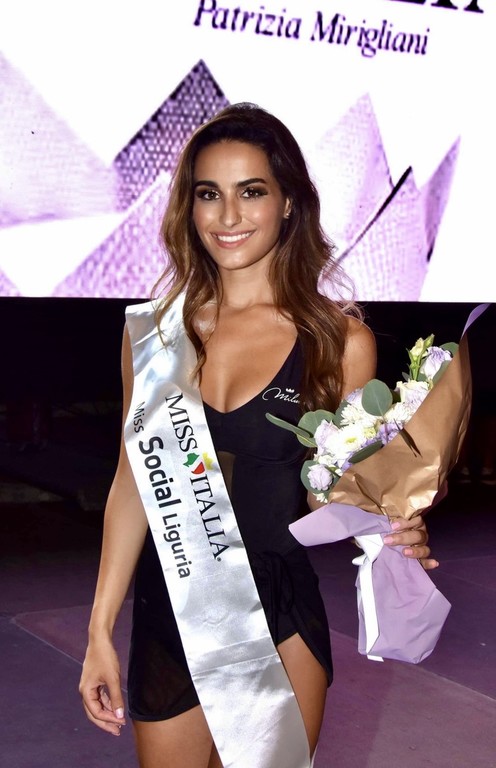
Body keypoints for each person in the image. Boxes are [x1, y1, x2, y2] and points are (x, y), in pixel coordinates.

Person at [79, 103, 437, 768]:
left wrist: (390, 522)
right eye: (208, 194)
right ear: (188, 207)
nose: (228, 216)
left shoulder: (336, 341)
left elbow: (331, 493)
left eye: (251, 192)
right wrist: (99, 628)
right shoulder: (153, 336)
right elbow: (133, 485)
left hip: (277, 615)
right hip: (170, 610)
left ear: (288, 203)